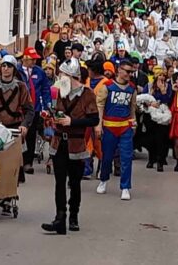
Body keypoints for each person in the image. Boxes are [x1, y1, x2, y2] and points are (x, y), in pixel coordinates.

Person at [41, 59, 97, 234]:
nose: (60, 78)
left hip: (76, 143)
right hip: (59, 142)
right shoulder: (59, 92)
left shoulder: (87, 94)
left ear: (72, 76)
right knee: (59, 182)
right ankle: (60, 218)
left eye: (63, 75)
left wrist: (73, 121)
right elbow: (55, 111)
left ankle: (73, 216)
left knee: (74, 182)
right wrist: (50, 118)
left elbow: (94, 119)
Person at [95, 57, 138, 200]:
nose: (129, 74)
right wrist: (98, 125)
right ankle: (103, 179)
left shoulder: (132, 89)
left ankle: (125, 187)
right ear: (119, 70)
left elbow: (132, 107)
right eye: (127, 71)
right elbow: (100, 106)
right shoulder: (107, 86)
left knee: (126, 158)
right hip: (109, 127)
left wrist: (133, 122)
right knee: (106, 157)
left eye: (131, 72)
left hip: (125, 127)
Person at [18, 47, 51, 175]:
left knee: (31, 135)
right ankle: (19, 160)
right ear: (25, 59)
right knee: (20, 136)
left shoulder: (39, 72)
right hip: (19, 108)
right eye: (32, 59)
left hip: (34, 108)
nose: (34, 62)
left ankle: (28, 162)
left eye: (36, 59)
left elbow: (45, 89)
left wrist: (47, 106)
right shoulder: (17, 71)